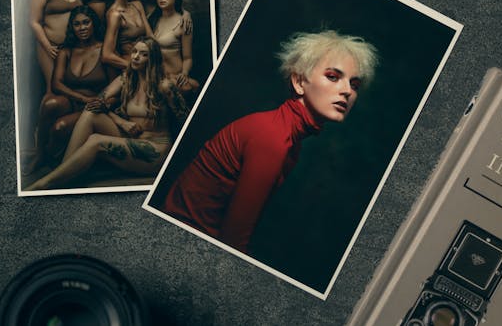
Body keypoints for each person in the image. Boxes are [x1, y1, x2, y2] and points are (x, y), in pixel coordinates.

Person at [162, 30, 378, 253]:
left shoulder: (285, 135)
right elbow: (232, 241)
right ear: (299, 81)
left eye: (355, 85)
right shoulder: (274, 139)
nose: (346, 91)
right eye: (333, 77)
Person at [25, 38, 182, 191]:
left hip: (154, 150)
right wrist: (121, 122)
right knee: (90, 112)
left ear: (153, 58)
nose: (135, 57)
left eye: (143, 54)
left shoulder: (165, 87)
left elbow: (186, 121)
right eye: (134, 51)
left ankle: (46, 183)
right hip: (131, 137)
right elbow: (97, 103)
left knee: (96, 141)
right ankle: (62, 173)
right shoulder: (127, 79)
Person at [28, 5, 112, 171]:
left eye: (86, 23)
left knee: (60, 127)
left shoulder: (104, 50)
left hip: (92, 107)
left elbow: (116, 87)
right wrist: (82, 98)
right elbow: (56, 84)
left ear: (94, 23)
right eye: (77, 24)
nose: (82, 28)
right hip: (73, 100)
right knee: (49, 104)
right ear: (72, 28)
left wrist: (104, 103)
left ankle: (55, 162)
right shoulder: (66, 51)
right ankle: (40, 155)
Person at [28, 0, 82, 93]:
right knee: (53, 90)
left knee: (72, 89)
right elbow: (34, 21)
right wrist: (48, 46)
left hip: (73, 48)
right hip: (51, 46)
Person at [149, 0, 200, 93]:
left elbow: (188, 57)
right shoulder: (153, 19)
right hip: (154, 75)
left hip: (174, 77)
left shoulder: (183, 23)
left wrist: (184, 73)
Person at [101, 0, 152, 72]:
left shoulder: (137, 5)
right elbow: (106, 55)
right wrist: (133, 67)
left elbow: (150, 37)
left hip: (148, 64)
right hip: (129, 67)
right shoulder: (114, 14)